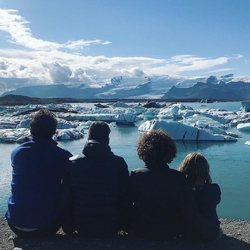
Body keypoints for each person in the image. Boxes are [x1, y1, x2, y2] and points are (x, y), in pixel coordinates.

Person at [129, 130, 219, 241]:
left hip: (140, 230)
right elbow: (189, 212)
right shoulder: (178, 178)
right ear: (169, 152)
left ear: (143, 152)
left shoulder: (136, 175)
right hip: (169, 232)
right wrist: (210, 231)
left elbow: (127, 203)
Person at [5, 109, 72, 238]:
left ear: (31, 130)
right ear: (54, 131)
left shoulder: (17, 153)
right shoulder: (63, 156)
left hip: (15, 224)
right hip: (46, 227)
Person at [63, 121, 129, 238]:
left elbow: (66, 197)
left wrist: (68, 226)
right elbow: (125, 196)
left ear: (89, 138)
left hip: (81, 224)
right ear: (107, 139)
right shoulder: (119, 163)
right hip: (112, 225)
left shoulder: (73, 163)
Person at [178, 152, 221, 228]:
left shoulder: (179, 189)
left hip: (184, 233)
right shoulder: (214, 189)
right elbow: (216, 201)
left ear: (185, 168)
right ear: (206, 169)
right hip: (210, 232)